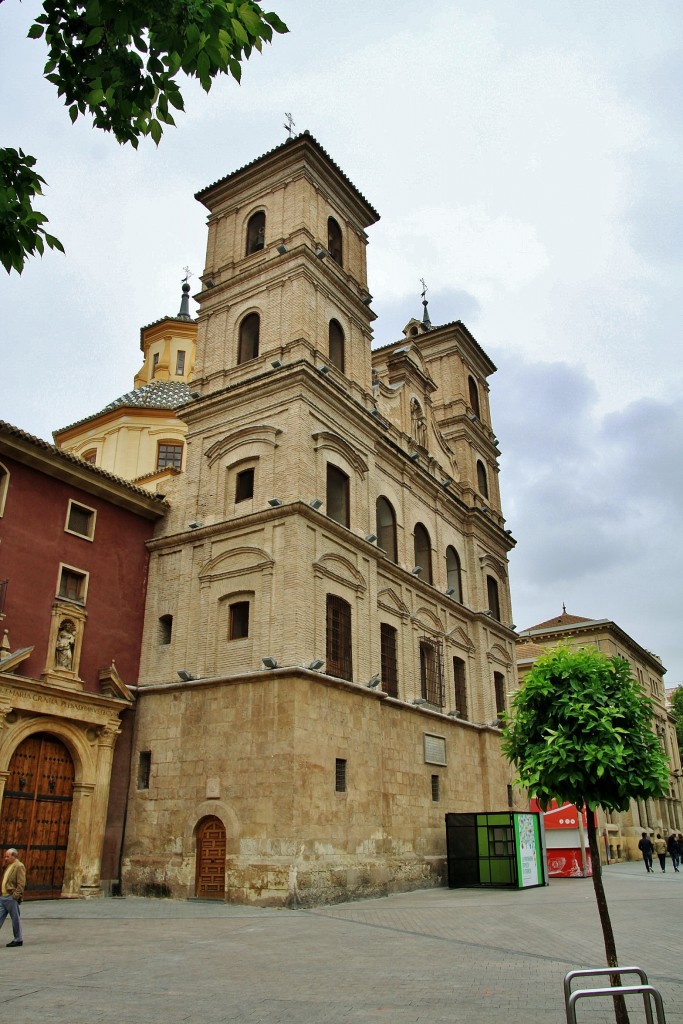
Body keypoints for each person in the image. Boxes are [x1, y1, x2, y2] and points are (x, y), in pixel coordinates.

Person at [0, 847, 25, 946]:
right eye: (5, 856)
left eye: (7, 856)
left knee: (15, 919)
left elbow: (21, 883)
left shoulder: (19, 866)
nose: (5, 858)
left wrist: (15, 896)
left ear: (14, 856)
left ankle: (18, 939)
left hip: (11, 897)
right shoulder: (9, 866)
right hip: (3, 897)